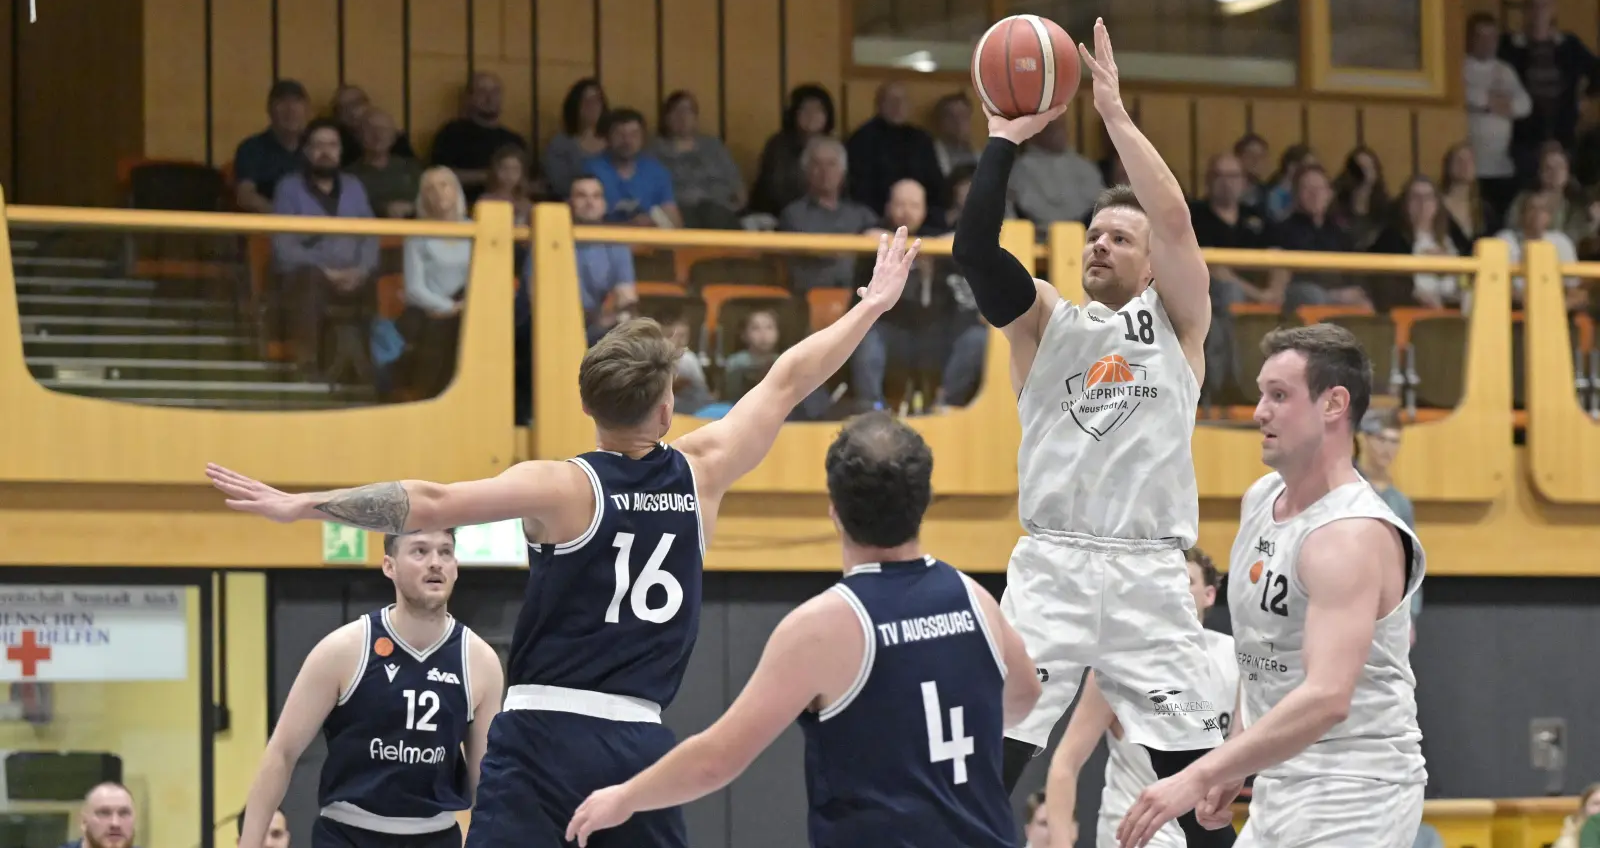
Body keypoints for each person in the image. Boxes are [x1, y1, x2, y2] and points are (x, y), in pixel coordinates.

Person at [208, 228, 922, 848]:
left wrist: (303, 506)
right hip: (638, 739)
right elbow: (789, 377)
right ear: (669, 406)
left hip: (540, 735)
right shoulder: (705, 469)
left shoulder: (564, 487)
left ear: (586, 405)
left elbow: (429, 500)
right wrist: (871, 304)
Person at [951, 18, 1230, 846]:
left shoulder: (1179, 324)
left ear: (1149, 267)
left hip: (1152, 577)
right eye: (1095, 236)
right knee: (978, 776)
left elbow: (1175, 219)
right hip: (1054, 570)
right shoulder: (1043, 321)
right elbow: (972, 251)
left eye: (1121, 237)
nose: (1102, 243)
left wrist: (1112, 112)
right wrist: (1004, 138)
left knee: (1205, 793)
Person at [565, 413, 1040, 847]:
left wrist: (625, 797)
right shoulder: (974, 598)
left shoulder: (825, 627)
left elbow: (718, 759)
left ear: (833, 509)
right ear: (924, 502)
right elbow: (1025, 698)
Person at [1118, 324, 1427, 848]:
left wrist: (1198, 771)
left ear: (1334, 404)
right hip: (1283, 782)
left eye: (1279, 396)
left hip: (1356, 789)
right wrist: (1236, 758)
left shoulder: (1350, 534)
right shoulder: (1260, 499)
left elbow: (1327, 696)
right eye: (1262, 394)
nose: (1260, 411)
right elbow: (1263, 656)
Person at [236, 530, 504, 848]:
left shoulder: (480, 660)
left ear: (456, 566)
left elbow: (486, 782)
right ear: (389, 566)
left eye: (445, 552)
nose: (435, 563)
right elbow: (282, 753)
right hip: (348, 834)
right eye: (420, 551)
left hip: (435, 835)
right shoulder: (344, 649)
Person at [1045, 548, 1238, 848]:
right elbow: (1065, 764)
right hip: (1136, 835)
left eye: (1186, 580)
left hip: (1203, 832)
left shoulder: (1235, 658)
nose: (1175, 587)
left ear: (1209, 595)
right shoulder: (1122, 663)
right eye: (1167, 579)